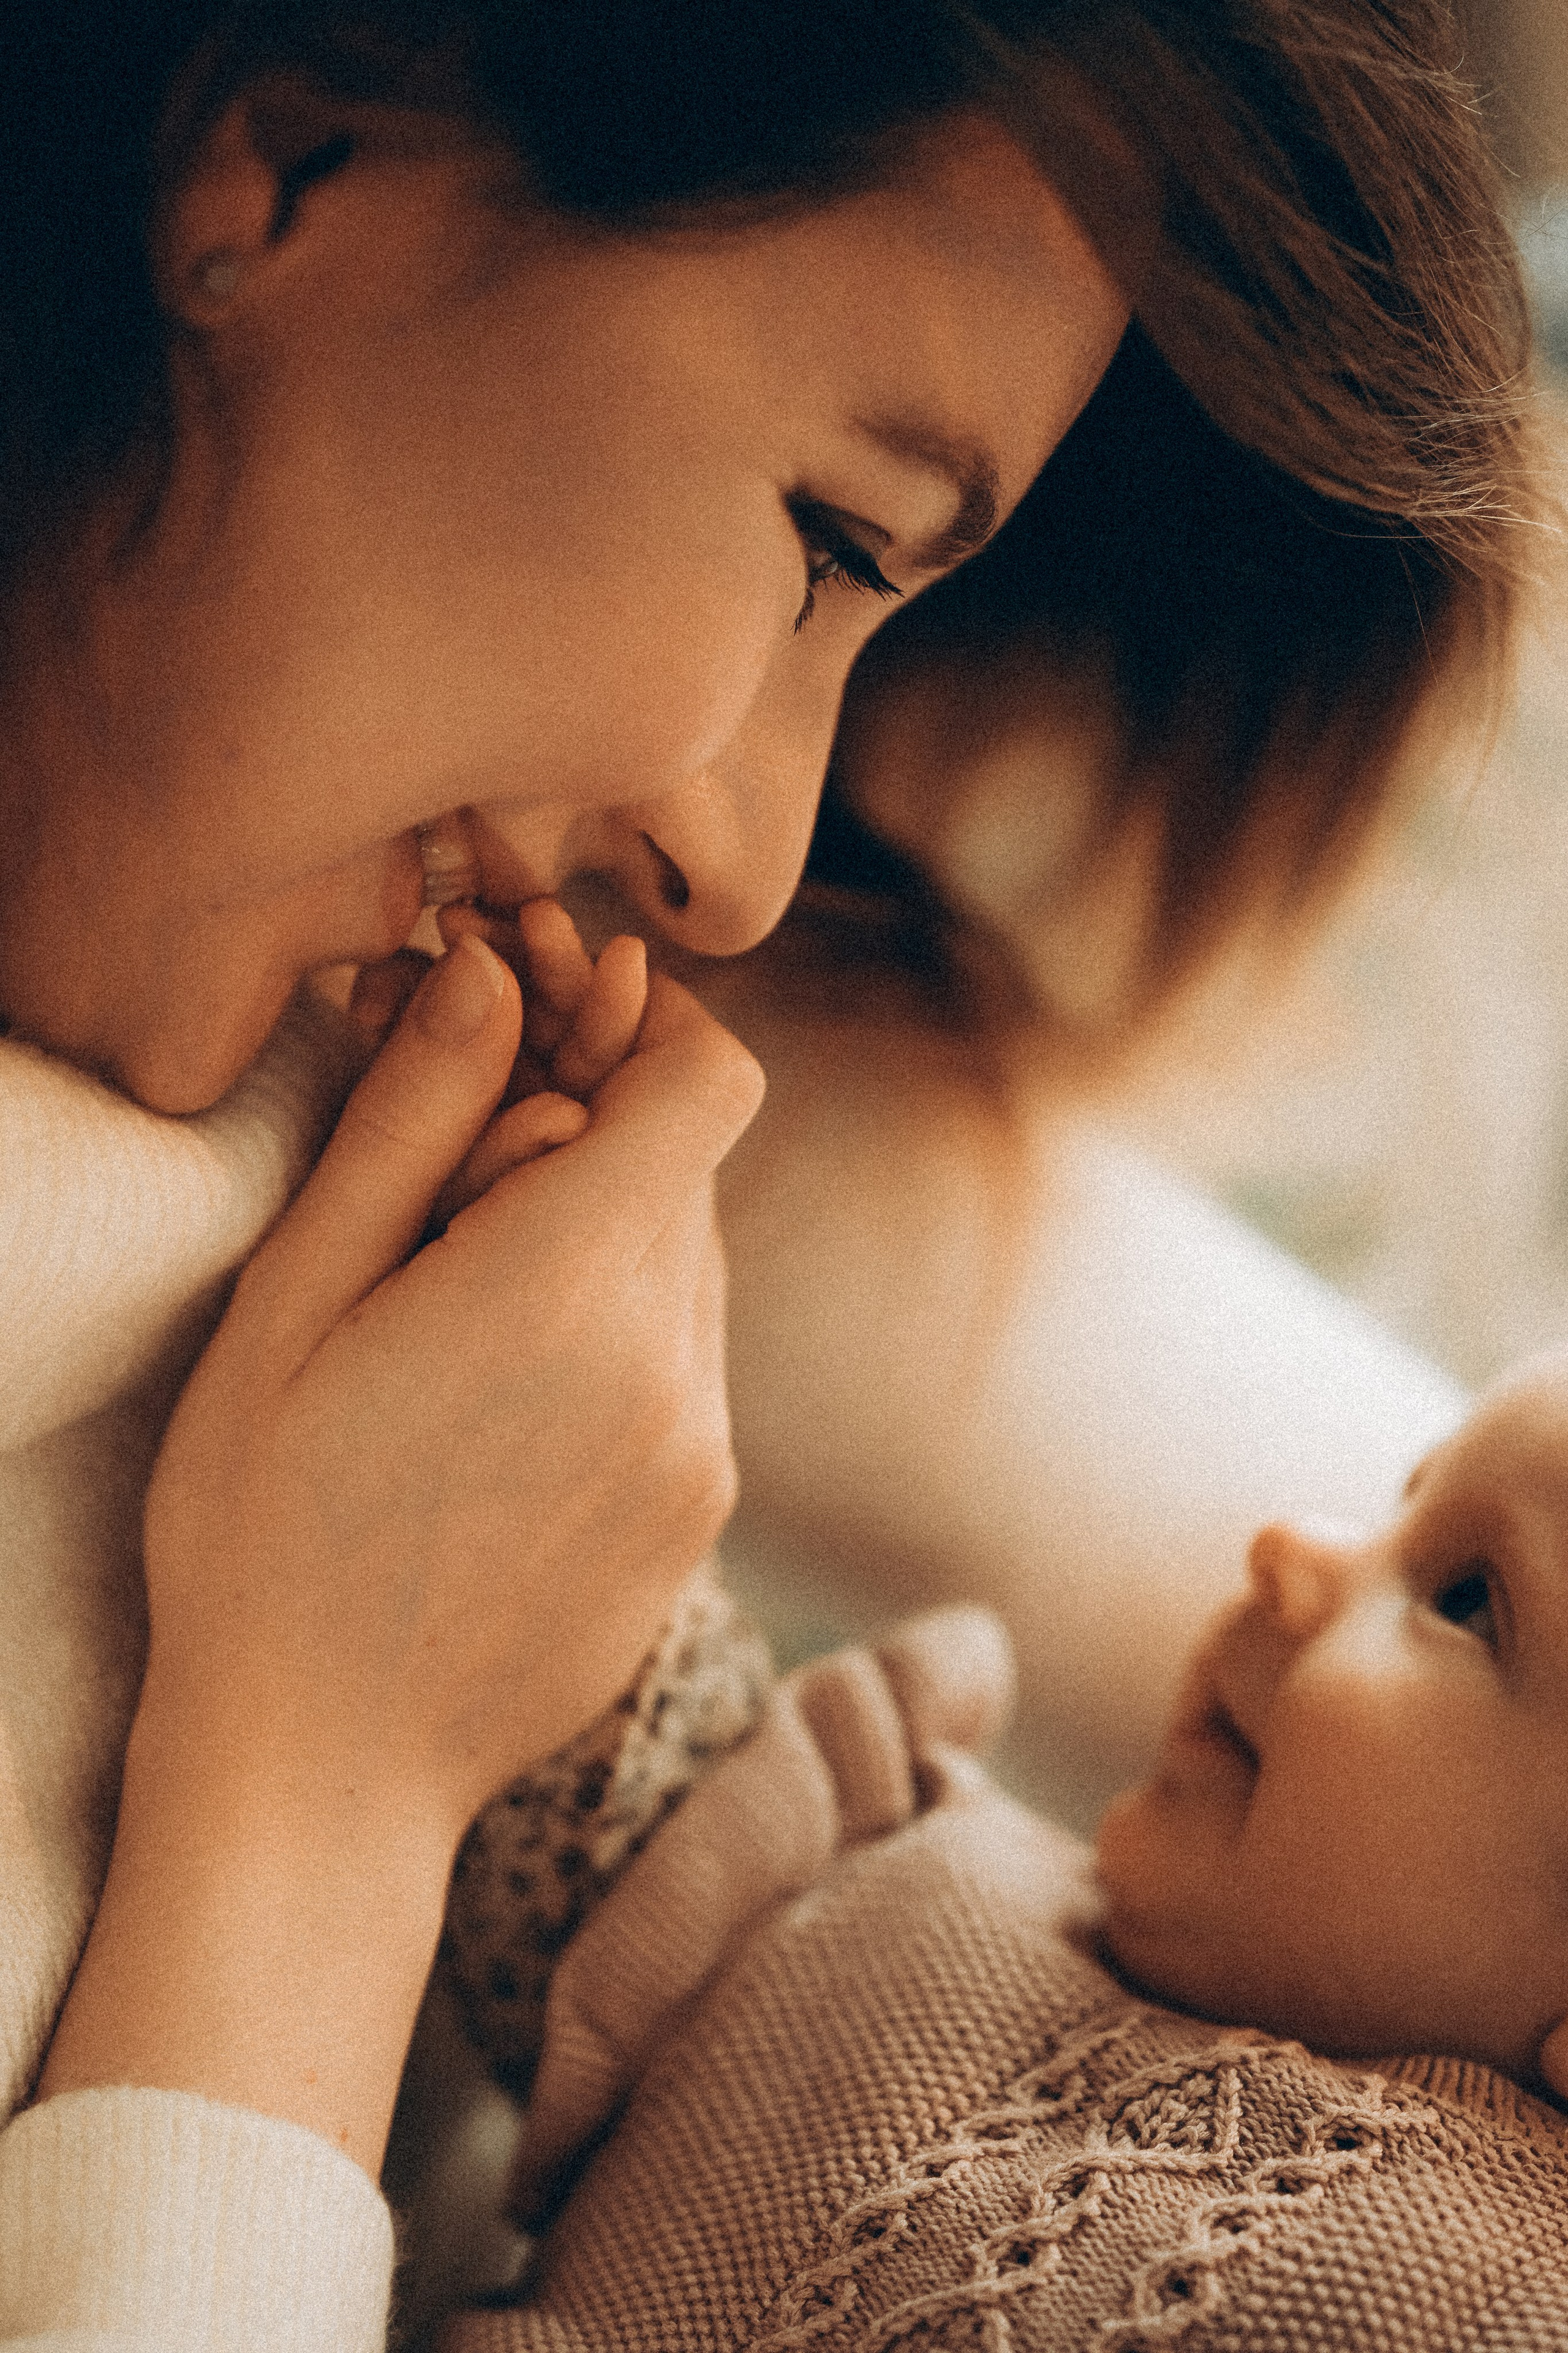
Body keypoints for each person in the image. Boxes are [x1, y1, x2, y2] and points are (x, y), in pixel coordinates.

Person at [0, 2, 1543, 2346]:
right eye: (830, 541)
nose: (736, 868)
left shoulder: (411, 973)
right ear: (292, 152)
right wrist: (316, 1798)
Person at [459, 1355, 1568, 2351]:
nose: (1291, 1545)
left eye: (1467, 1600)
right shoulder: (902, 1878)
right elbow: (616, 1794)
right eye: (1399, 1502)